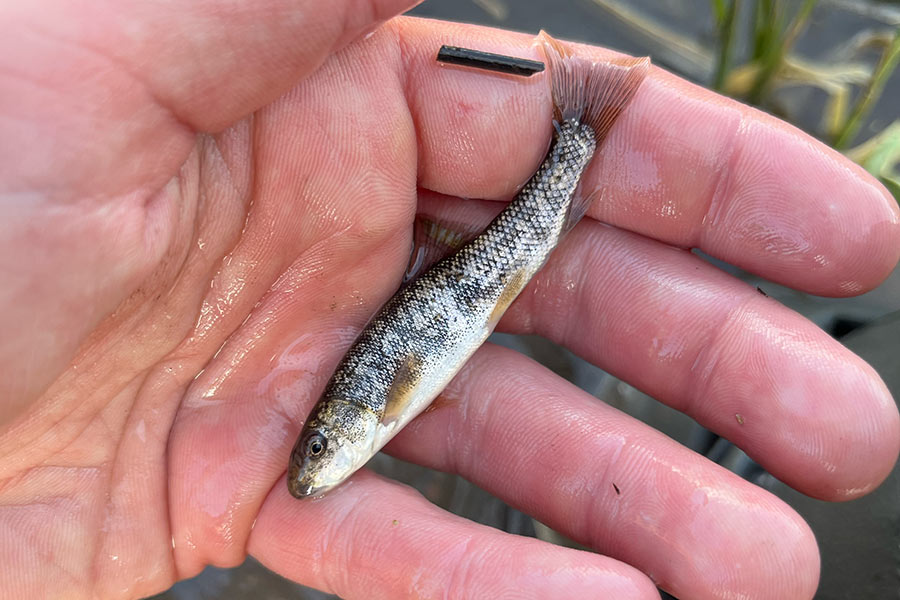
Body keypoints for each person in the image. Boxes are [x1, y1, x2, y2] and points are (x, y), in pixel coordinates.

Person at [1, 2, 897, 599]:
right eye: (314, 452)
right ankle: (577, 137)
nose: (314, 469)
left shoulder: (366, 410)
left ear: (343, 427)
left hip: (485, 262)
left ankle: (578, 133)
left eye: (319, 448)